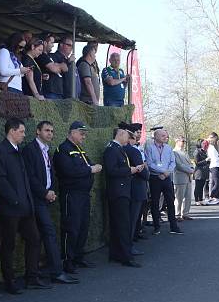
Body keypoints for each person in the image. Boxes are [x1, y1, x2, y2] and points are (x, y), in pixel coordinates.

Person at [0, 118, 49, 292]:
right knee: (9, 244)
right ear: (12, 131)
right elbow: (0, 180)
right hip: (10, 209)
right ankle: (10, 281)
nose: (24, 135)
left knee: (34, 239)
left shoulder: (19, 151)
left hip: (25, 207)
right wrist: (15, 199)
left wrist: (26, 201)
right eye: (22, 131)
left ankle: (32, 276)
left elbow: (24, 180)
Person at [22, 121, 78, 284]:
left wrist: (52, 190)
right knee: (49, 232)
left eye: (52, 131)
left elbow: (51, 173)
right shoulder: (30, 150)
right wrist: (45, 192)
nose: (50, 134)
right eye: (47, 130)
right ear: (37, 131)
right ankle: (56, 272)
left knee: (40, 236)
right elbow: (30, 177)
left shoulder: (47, 150)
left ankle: (37, 273)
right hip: (36, 199)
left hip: (46, 197)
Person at [53, 121, 103, 274]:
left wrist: (91, 167)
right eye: (81, 133)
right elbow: (69, 171)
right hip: (71, 194)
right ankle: (68, 261)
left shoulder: (78, 149)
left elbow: (87, 164)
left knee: (83, 226)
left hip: (83, 194)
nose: (84, 136)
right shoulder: (63, 149)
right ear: (72, 133)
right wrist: (91, 169)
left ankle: (78, 257)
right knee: (71, 228)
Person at [103, 128, 143, 267]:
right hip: (118, 192)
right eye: (127, 136)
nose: (129, 139)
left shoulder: (118, 149)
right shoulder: (112, 150)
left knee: (118, 224)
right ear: (120, 135)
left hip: (122, 190)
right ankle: (126, 257)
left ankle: (116, 254)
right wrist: (129, 170)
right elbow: (111, 170)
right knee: (123, 224)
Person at [144, 128, 183, 235]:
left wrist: (167, 172)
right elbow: (149, 163)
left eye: (166, 135)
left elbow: (172, 162)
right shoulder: (149, 147)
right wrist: (162, 171)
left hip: (166, 178)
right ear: (156, 136)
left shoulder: (168, 148)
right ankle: (156, 227)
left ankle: (173, 226)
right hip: (155, 178)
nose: (166, 137)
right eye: (163, 136)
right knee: (155, 202)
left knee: (170, 202)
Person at [123, 123, 149, 246]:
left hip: (132, 187)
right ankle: (129, 244)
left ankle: (133, 237)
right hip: (136, 187)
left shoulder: (131, 149)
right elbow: (143, 171)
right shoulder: (132, 151)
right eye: (136, 134)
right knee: (132, 219)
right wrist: (146, 173)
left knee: (134, 218)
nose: (138, 136)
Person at [37, 35, 71, 99]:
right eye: (52, 43)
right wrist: (58, 66)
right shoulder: (41, 55)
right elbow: (54, 69)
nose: (53, 45)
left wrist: (58, 66)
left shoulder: (48, 56)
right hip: (49, 91)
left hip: (58, 92)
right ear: (45, 43)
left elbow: (65, 68)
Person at [172, 138, 194, 221]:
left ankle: (185, 213)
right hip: (180, 177)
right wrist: (190, 170)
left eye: (184, 141)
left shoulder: (184, 152)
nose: (184, 143)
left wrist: (192, 168)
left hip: (188, 177)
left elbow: (190, 163)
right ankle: (177, 214)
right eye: (182, 141)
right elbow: (179, 165)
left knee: (187, 197)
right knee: (179, 197)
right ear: (177, 142)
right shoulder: (174, 152)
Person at [206, 132, 219, 205]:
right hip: (213, 165)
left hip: (215, 165)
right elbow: (214, 158)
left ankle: (215, 195)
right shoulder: (210, 147)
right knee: (216, 181)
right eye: (216, 138)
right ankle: (212, 196)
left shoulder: (212, 146)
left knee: (217, 180)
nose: (216, 140)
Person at [194, 139, 209, 206]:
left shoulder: (204, 151)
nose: (204, 145)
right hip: (199, 172)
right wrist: (205, 160)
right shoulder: (197, 151)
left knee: (202, 186)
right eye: (203, 143)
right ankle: (196, 200)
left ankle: (200, 199)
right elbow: (197, 163)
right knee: (198, 186)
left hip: (204, 171)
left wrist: (208, 161)